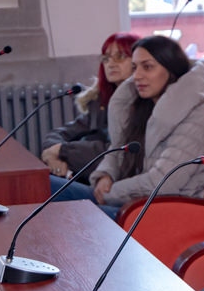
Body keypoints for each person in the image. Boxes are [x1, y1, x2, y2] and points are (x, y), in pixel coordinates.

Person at [67, 35, 204, 219]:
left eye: (148, 67)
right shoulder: (142, 105)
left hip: (161, 211)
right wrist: (106, 175)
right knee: (49, 186)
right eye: (135, 67)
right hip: (130, 200)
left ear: (171, 69)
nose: (136, 76)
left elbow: (164, 183)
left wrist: (111, 193)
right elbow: (118, 147)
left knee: (70, 216)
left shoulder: (196, 116)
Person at [41, 32, 138, 184]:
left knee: (46, 184)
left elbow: (114, 151)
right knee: (42, 180)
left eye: (120, 56)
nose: (111, 64)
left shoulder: (140, 103)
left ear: (138, 60)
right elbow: (61, 133)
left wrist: (62, 151)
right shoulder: (100, 102)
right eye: (106, 58)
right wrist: (52, 156)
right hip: (87, 176)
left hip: (114, 182)